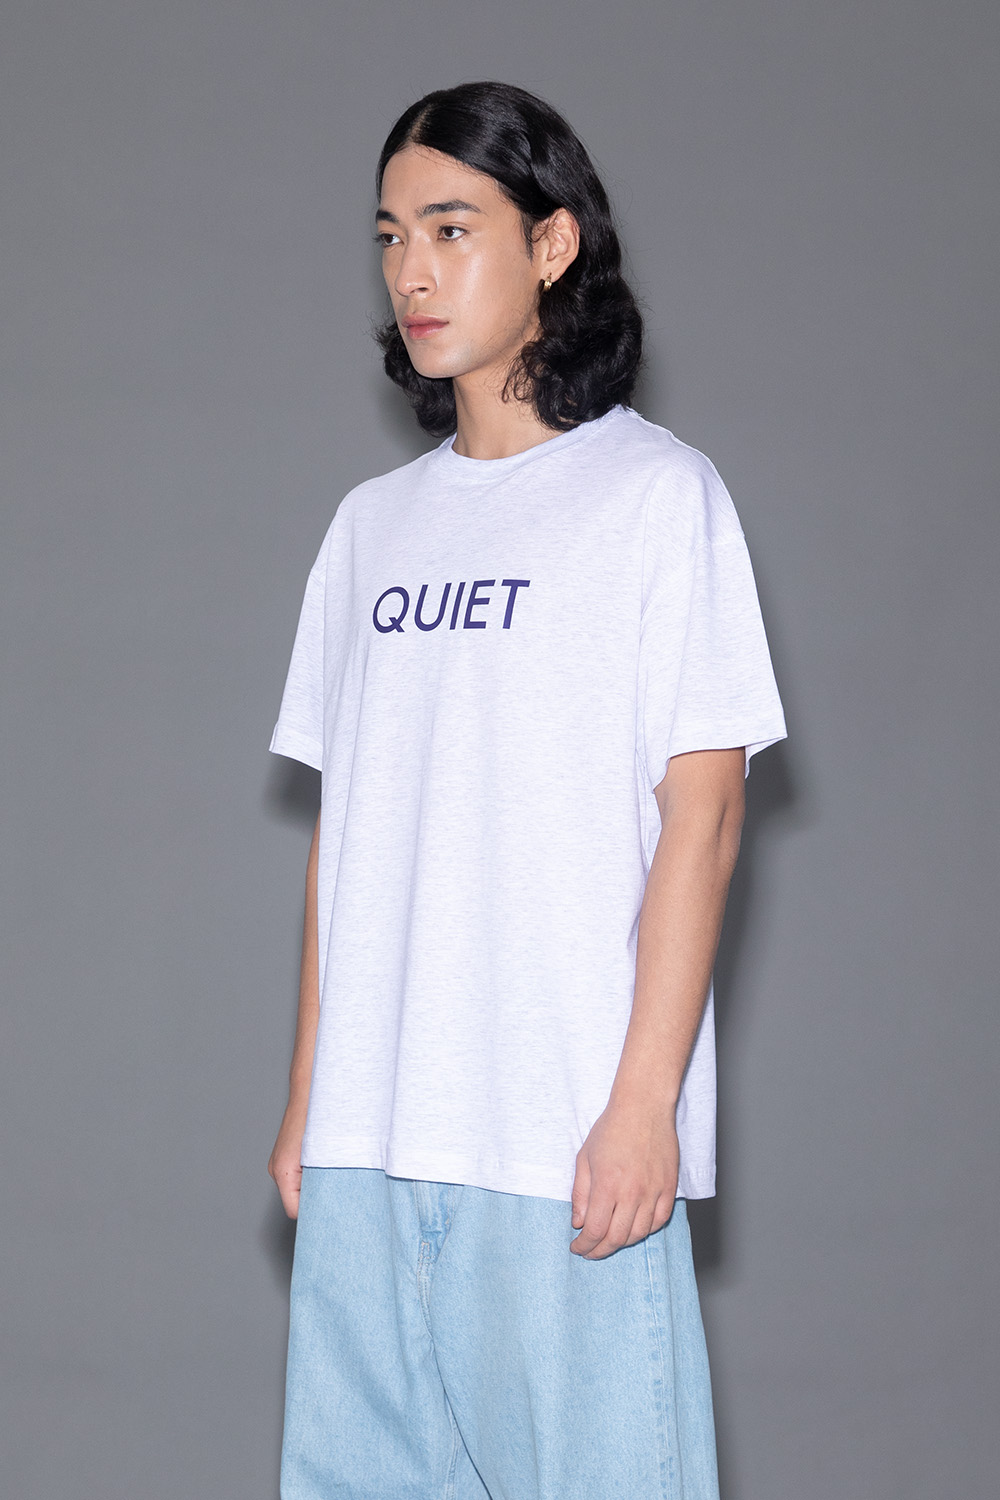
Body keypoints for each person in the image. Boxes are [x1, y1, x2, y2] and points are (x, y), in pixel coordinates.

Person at [266, 80, 786, 1500]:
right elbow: (343, 842)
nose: (413, 272)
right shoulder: (369, 532)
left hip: (557, 1138)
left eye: (453, 228)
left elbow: (705, 819)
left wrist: (644, 1107)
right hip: (372, 1140)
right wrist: (311, 1098)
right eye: (391, 236)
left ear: (552, 244)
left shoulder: (657, 498)